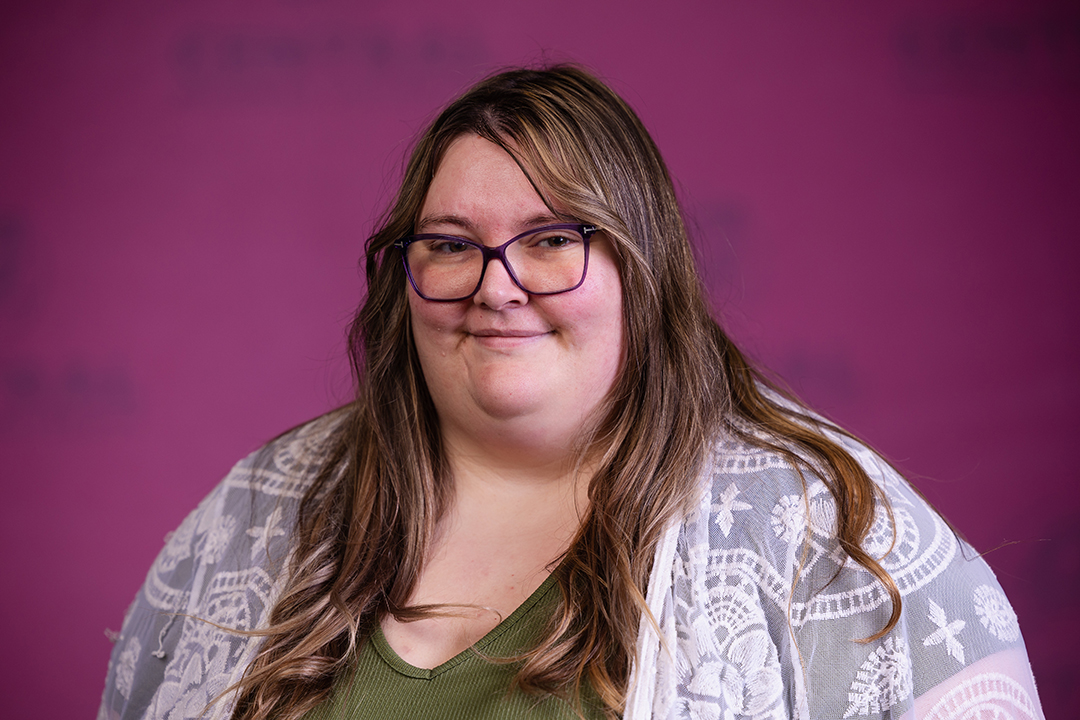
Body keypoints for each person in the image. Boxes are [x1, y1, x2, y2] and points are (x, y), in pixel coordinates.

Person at [99, 65, 1043, 720]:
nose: (495, 285)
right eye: (451, 245)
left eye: (551, 240)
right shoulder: (264, 509)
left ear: (643, 268)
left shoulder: (817, 534)